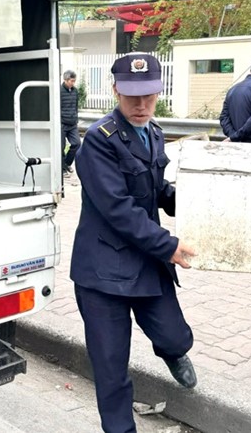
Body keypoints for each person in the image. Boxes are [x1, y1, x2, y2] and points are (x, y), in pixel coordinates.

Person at [71, 52, 198, 433]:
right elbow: (119, 210)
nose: (140, 105)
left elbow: (157, 190)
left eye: (148, 96)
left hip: (145, 262)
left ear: (158, 92)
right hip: (103, 274)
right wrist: (169, 245)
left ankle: (173, 353)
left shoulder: (153, 132)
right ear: (115, 91)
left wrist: (202, 201)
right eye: (131, 96)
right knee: (111, 370)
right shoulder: (98, 141)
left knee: (176, 336)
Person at [61, 70, 81, 174]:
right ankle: (62, 168)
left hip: (72, 123)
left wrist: (75, 118)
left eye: (74, 81)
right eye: (71, 81)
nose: (73, 83)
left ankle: (67, 164)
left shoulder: (75, 91)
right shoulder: (59, 91)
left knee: (77, 144)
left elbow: (76, 106)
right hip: (62, 123)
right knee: (61, 147)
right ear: (65, 80)